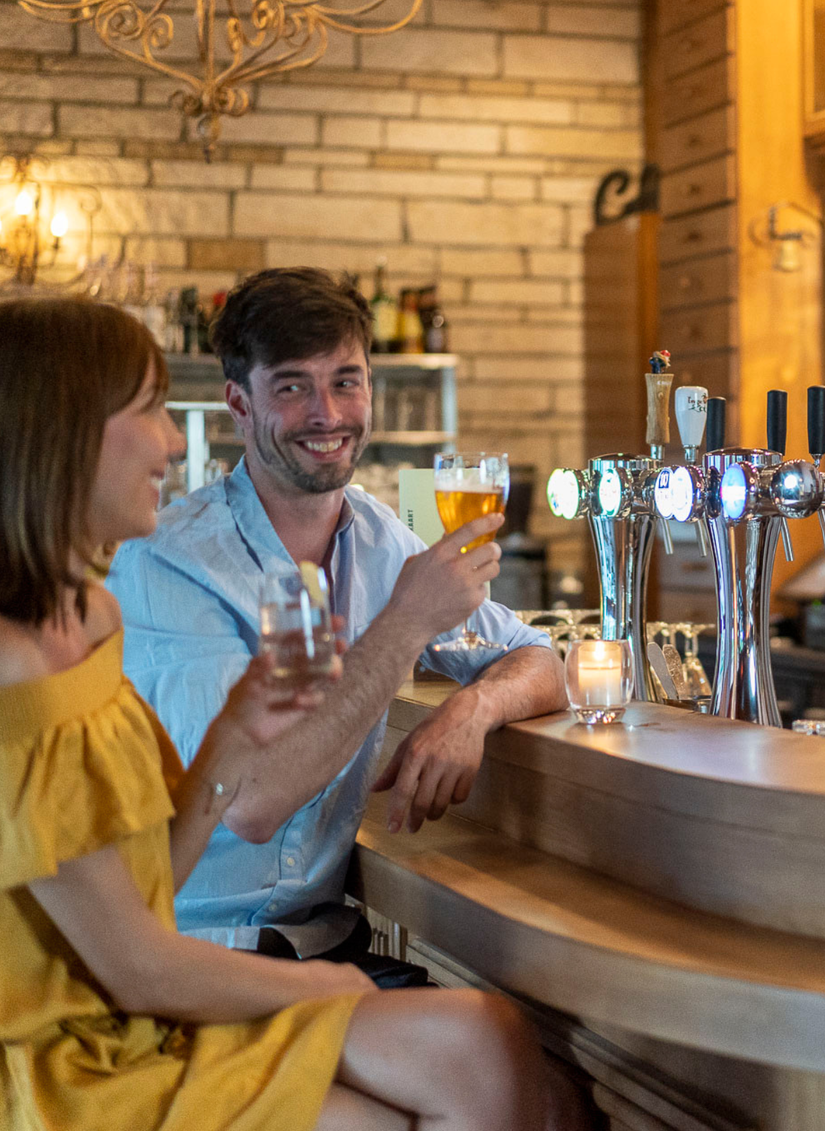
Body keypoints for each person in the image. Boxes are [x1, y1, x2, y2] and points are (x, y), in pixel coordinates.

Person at [0, 296, 568, 1129]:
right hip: (79, 1048)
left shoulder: (89, 616)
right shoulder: (32, 654)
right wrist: (327, 983)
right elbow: (137, 959)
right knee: (462, 1075)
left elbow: (149, 872)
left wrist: (234, 733)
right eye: (150, 410)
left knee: (502, 1045)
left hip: (158, 995)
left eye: (346, 381)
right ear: (64, 431)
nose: (172, 441)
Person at [106, 267, 566, 966]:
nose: (327, 414)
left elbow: (538, 656)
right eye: (293, 387)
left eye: (346, 381)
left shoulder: (382, 538)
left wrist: (473, 709)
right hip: (190, 955)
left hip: (324, 943)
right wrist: (406, 624)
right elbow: (254, 804)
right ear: (239, 404)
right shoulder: (165, 560)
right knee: (499, 1029)